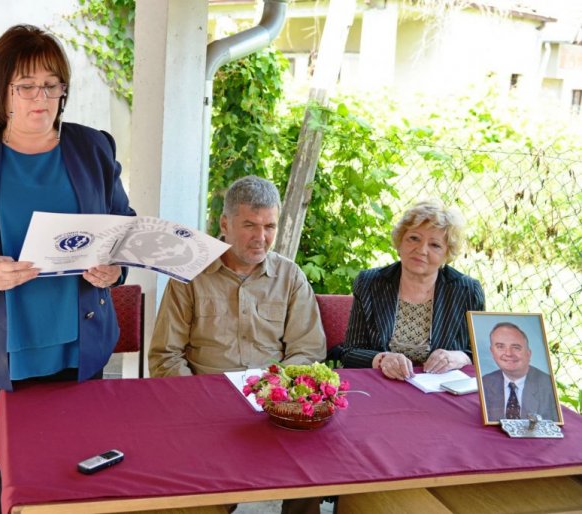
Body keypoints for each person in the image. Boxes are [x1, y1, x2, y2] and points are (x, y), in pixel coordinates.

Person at [0, 24, 135, 513]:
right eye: (27, 85)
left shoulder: (94, 148)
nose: (42, 97)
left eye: (52, 85)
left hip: (77, 334)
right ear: (2, 91)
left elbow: (122, 224)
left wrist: (114, 268)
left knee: (77, 456)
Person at [148, 175, 325, 514]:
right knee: (202, 498)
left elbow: (308, 350)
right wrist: (201, 401)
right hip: (205, 408)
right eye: (249, 225)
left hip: (274, 407)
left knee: (311, 467)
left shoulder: (290, 277)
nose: (261, 237)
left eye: (269, 226)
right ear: (225, 224)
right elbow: (165, 355)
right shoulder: (190, 276)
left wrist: (273, 391)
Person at [335, 200, 485, 379]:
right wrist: (382, 359)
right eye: (414, 238)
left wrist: (459, 357)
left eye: (435, 245)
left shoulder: (467, 291)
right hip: (382, 384)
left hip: (441, 390)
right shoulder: (370, 283)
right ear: (400, 242)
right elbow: (350, 352)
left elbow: (482, 353)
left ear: (447, 253)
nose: (421, 250)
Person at [482, 322, 558, 422]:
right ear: (492, 352)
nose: (508, 353)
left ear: (528, 353)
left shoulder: (548, 386)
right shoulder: (485, 382)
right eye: (500, 347)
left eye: (516, 347)